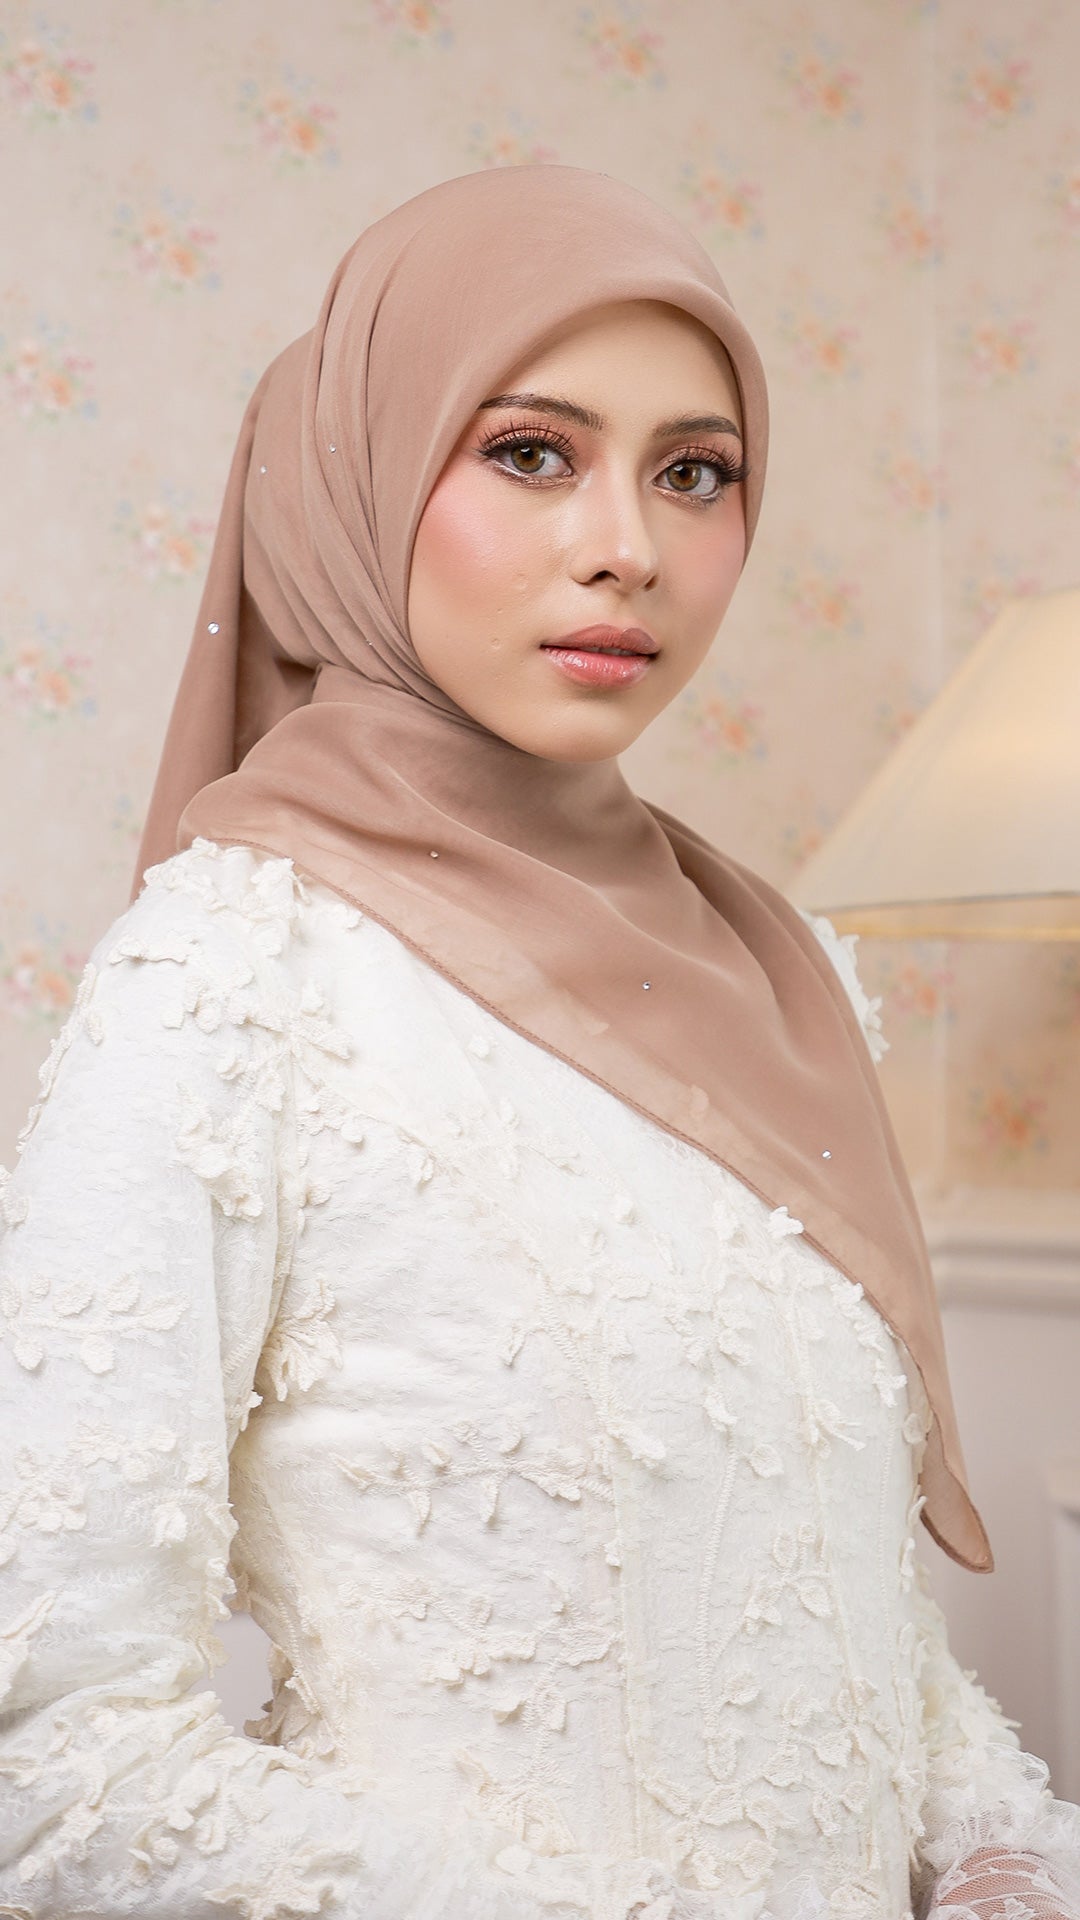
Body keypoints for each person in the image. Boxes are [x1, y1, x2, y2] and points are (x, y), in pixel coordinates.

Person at [0, 165, 1076, 1920]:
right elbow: (55, 1764)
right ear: (353, 481)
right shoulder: (233, 976)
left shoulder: (783, 975)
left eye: (694, 471)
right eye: (528, 452)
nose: (627, 545)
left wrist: (1000, 1854)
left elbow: (835, 1614)